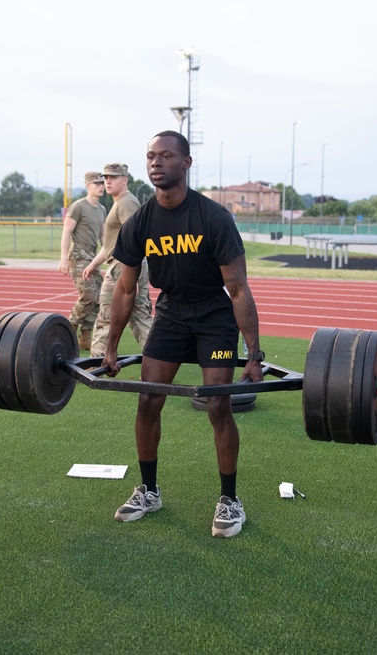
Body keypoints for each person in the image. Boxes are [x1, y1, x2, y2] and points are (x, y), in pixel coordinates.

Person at [100, 132, 264, 538]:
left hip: (214, 320)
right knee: (148, 399)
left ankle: (229, 498)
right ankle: (149, 490)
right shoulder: (140, 222)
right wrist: (110, 344)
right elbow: (125, 287)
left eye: (166, 156)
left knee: (217, 405)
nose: (156, 163)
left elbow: (238, 289)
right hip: (171, 316)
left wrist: (254, 354)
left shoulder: (213, 217)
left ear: (186, 163)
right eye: (151, 157)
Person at [82, 163, 153, 357]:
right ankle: (159, 362)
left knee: (107, 316)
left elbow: (136, 240)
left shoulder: (125, 203)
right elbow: (111, 245)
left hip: (124, 268)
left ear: (125, 180)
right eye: (105, 178)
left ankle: (96, 363)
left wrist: (133, 277)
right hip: (124, 266)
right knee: (140, 318)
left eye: (113, 177)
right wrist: (93, 264)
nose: (108, 181)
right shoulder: (120, 202)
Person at [58, 171, 106, 350]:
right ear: (88, 186)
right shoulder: (78, 206)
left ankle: (85, 334)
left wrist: (108, 255)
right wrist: (63, 258)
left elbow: (103, 237)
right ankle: (70, 327)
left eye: (102, 183)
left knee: (101, 297)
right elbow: (67, 232)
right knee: (88, 295)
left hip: (93, 257)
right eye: (96, 183)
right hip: (78, 256)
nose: (101, 186)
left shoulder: (102, 209)